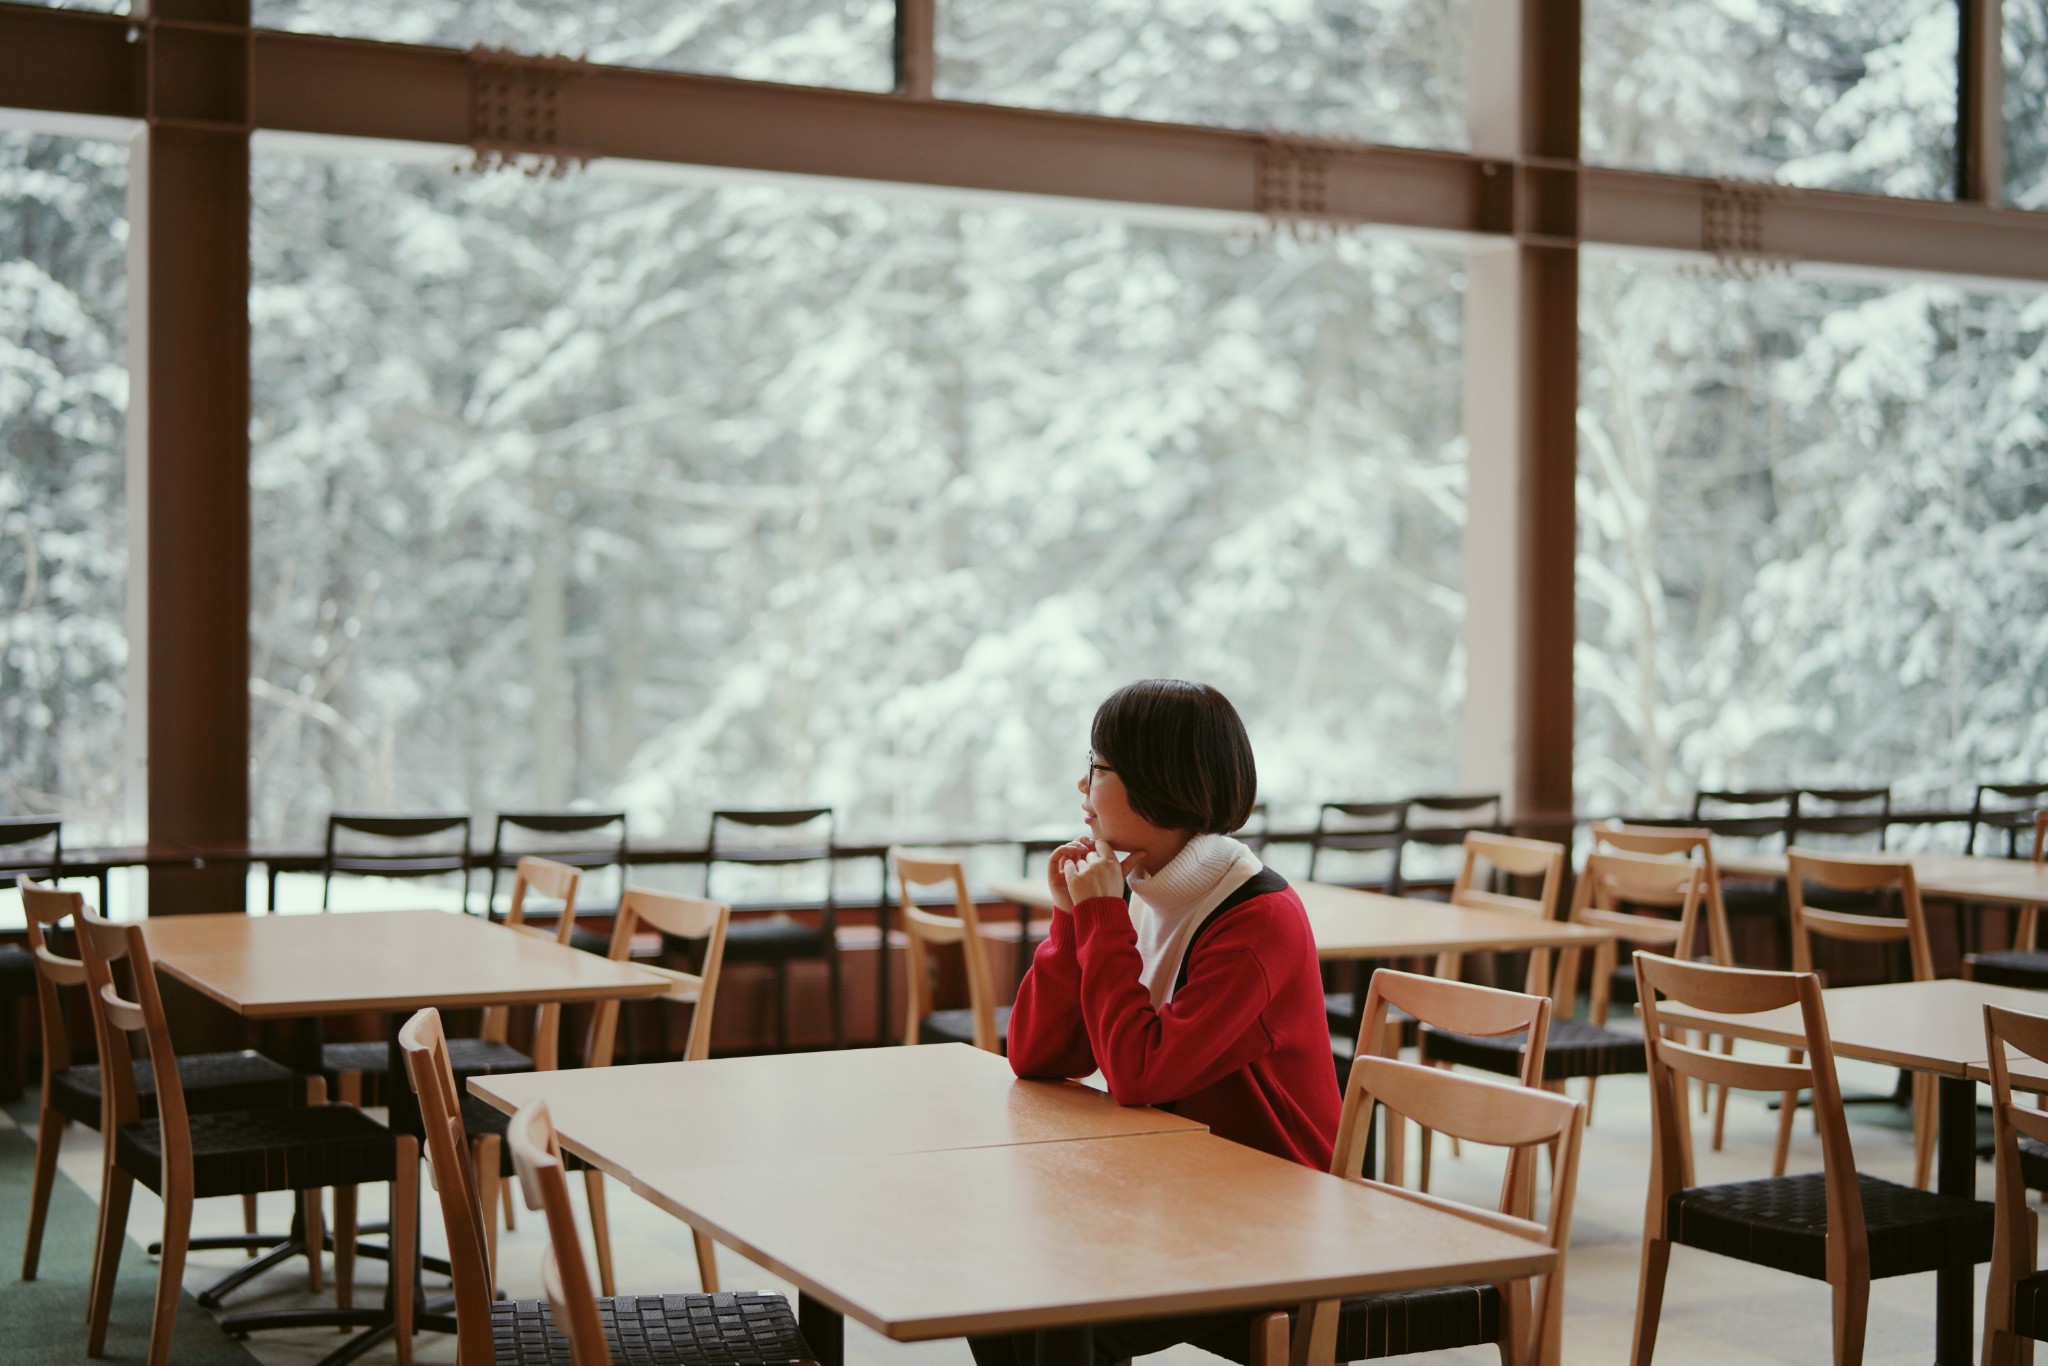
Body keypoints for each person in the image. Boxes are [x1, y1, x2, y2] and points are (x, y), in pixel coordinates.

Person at [970, 679, 1340, 1366]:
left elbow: (1140, 1074)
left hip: (1274, 1217)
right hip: (1178, 1190)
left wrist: (1101, 917)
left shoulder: (1257, 920)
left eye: (1099, 769)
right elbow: (1036, 1056)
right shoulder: (1139, 886)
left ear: (1158, 782)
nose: (1082, 787)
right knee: (995, 1297)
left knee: (1054, 1320)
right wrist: (1070, 918)